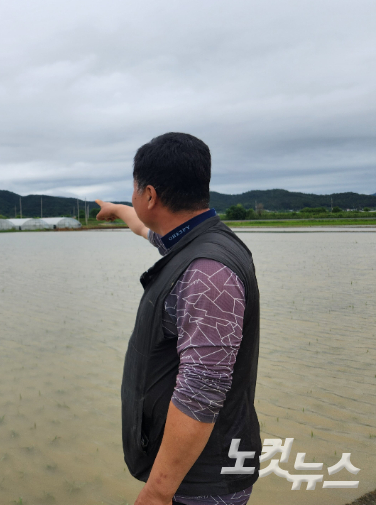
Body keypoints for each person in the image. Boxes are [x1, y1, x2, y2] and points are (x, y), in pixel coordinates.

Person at [96, 133, 261, 505]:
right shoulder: (194, 240)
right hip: (199, 470)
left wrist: (157, 492)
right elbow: (144, 229)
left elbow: (201, 391)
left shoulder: (207, 271)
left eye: (135, 190)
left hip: (203, 481)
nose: (135, 197)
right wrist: (118, 208)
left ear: (150, 195)